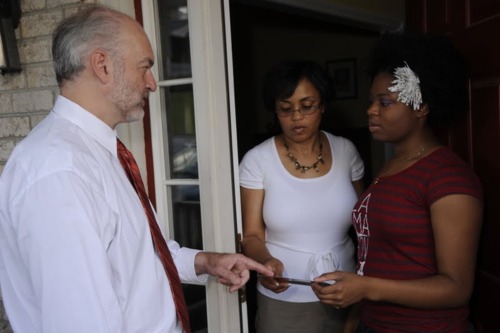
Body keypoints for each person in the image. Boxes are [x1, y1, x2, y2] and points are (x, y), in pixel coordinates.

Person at [0, 5, 273, 333]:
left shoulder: (98, 152)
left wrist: (205, 262)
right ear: (102, 65)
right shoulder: (60, 174)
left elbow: (136, 258)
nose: (152, 83)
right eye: (144, 66)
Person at [312, 32, 484, 333]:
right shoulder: (391, 166)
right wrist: (355, 318)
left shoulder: (449, 178)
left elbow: (456, 287)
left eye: (385, 102)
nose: (371, 110)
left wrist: (365, 288)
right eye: (371, 101)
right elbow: (375, 256)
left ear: (421, 107)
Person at [239, 60, 365, 333]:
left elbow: (366, 225)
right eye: (286, 109)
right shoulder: (257, 160)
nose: (297, 117)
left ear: (322, 105)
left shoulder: (346, 151)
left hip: (346, 291)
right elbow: (251, 235)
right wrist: (265, 263)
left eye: (307, 106)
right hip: (285, 298)